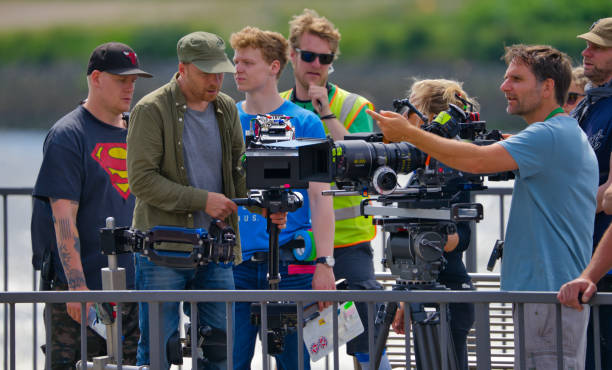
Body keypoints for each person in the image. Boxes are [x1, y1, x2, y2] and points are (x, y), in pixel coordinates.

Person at [368, 44, 598, 369]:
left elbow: (477, 160)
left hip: (549, 298)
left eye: (516, 79)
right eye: (506, 78)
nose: (504, 87)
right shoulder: (559, 133)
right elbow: (486, 152)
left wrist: (411, 135)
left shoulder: (547, 136)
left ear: (548, 87)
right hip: (547, 296)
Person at [126, 31, 286, 369]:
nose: (216, 80)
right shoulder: (151, 109)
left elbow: (238, 170)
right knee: (160, 350)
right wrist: (203, 200)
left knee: (220, 350)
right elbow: (142, 182)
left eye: (220, 72)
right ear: (182, 68)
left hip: (217, 248)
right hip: (162, 248)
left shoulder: (226, 108)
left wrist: (264, 204)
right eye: (206, 72)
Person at [279, 9, 391, 369]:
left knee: (367, 344)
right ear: (291, 56)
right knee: (294, 345)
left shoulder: (354, 107)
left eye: (324, 59)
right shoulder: (275, 106)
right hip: (294, 244)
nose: (316, 65)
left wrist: (326, 114)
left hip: (348, 244)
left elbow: (364, 166)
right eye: (309, 56)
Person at [31, 42, 152, 369]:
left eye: (134, 80)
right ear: (96, 78)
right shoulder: (68, 135)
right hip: (79, 295)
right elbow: (63, 217)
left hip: (133, 292)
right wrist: (76, 287)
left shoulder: (137, 133)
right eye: (121, 79)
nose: (130, 87)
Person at [229, 25, 336, 370]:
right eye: (236, 61)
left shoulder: (306, 122)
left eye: (247, 62)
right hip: (235, 266)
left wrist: (325, 264)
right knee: (229, 362)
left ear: (274, 67)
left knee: (296, 364)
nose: (237, 70)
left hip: (292, 265)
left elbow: (322, 198)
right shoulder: (226, 119)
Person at [389, 79, 476, 370]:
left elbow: (461, 237)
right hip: (422, 290)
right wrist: (406, 297)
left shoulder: (449, 166)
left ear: (425, 117)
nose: (404, 117)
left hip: (448, 292)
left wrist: (433, 238)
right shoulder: (422, 169)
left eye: (410, 106)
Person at [564, 17, 612, 369]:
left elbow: (610, 196)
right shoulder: (591, 101)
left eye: (597, 46)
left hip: (603, 274)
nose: (586, 52)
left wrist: (560, 207)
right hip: (584, 269)